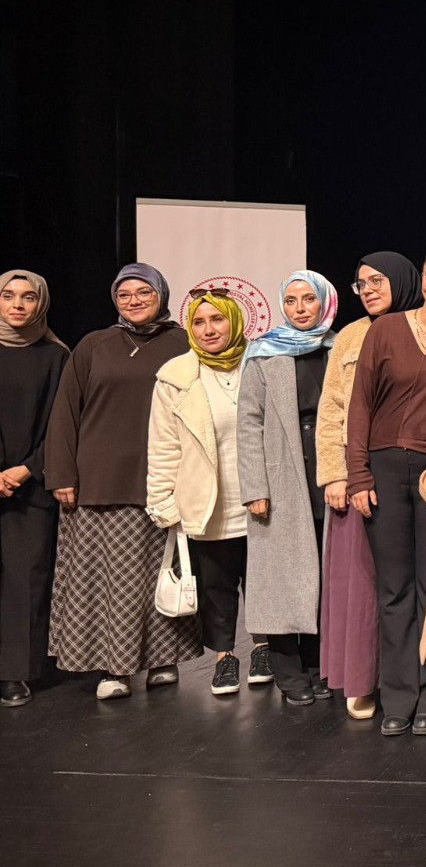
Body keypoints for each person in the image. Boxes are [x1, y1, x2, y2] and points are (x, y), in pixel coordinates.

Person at [46, 264, 201, 700]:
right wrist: (62, 473)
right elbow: (65, 412)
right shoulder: (94, 345)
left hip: (163, 478)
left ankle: (163, 659)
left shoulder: (184, 343)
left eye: (143, 292)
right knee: (105, 581)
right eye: (124, 294)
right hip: (99, 481)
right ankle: (113, 669)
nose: (134, 301)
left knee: (159, 575)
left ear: (161, 294)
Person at [348, 241, 426, 736]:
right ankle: (399, 694)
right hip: (382, 470)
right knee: (394, 588)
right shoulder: (387, 329)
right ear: (421, 279)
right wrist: (358, 474)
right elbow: (360, 405)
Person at [316, 252, 419, 720]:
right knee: (362, 584)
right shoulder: (351, 336)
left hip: (413, 471)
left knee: (412, 581)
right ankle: (363, 679)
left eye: (378, 280)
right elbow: (333, 408)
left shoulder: (425, 327)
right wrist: (336, 472)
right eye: (361, 284)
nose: (369, 290)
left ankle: (415, 680)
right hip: (358, 474)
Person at [237, 271, 339, 705]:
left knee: (322, 575)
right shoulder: (264, 352)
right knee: (280, 579)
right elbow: (248, 423)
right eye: (292, 300)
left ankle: (319, 666)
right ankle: (289, 673)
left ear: (324, 303)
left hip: (328, 474)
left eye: (308, 299)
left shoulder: (339, 349)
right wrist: (254, 487)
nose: (300, 308)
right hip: (279, 476)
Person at [147, 290, 254, 695]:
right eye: (199, 322)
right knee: (216, 585)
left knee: (261, 582)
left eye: (217, 320)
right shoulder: (175, 376)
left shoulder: (260, 363)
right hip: (207, 501)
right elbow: (163, 445)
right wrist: (162, 501)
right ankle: (225, 658)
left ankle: (266, 648)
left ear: (235, 322)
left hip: (260, 498)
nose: (209, 330)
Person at [0, 271, 71, 706]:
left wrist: (25, 470)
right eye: (8, 296)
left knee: (25, 580)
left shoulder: (56, 356)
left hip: (30, 485)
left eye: (28, 297)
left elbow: (62, 424)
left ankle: (14, 673)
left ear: (41, 303)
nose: (17, 305)